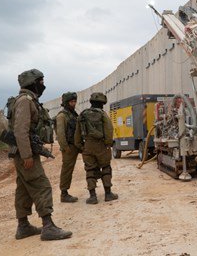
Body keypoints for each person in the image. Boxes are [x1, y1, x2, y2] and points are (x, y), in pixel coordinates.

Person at [12, 69, 72, 241]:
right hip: (25, 152)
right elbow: (20, 130)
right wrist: (27, 156)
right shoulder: (25, 101)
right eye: (41, 81)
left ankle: (23, 226)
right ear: (33, 82)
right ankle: (48, 226)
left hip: (25, 151)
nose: (43, 84)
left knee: (24, 188)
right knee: (41, 185)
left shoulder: (29, 100)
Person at [74, 92, 118, 204]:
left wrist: (81, 146)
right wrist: (108, 144)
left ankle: (92, 196)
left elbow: (77, 134)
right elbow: (109, 130)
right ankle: (108, 194)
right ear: (102, 104)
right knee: (106, 168)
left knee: (90, 169)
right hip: (101, 146)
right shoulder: (103, 114)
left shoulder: (82, 115)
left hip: (88, 145)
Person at [55, 92, 79, 203]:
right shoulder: (62, 116)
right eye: (71, 102)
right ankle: (64, 194)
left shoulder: (73, 114)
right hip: (69, 147)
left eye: (74, 101)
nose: (73, 104)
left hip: (76, 145)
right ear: (66, 102)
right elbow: (60, 134)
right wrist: (65, 148)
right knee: (67, 170)